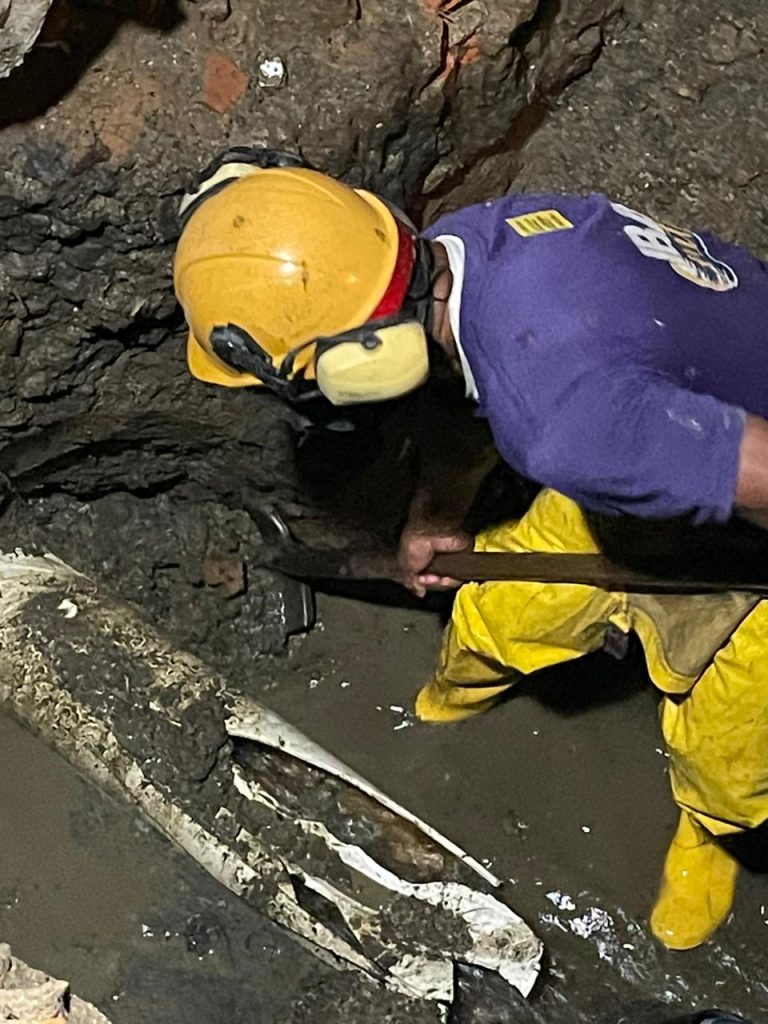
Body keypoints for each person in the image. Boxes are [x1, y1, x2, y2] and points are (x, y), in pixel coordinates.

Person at [173, 147, 768, 951]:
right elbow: (475, 398)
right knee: (500, 617)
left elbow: (710, 457)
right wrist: (437, 518)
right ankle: (450, 701)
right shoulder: (465, 254)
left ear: (363, 364)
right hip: (661, 428)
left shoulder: (566, 424)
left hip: (738, 499)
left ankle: (713, 826)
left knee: (728, 752)